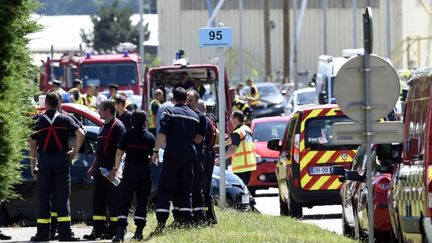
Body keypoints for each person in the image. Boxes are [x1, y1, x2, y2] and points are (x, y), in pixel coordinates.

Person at [29, 92, 85, 242]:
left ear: (45, 104)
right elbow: (81, 133)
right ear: (59, 103)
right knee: (62, 197)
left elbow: (32, 145)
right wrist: (74, 152)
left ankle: (42, 234)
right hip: (61, 160)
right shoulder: (66, 119)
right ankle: (65, 234)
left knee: (43, 198)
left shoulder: (37, 120)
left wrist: (32, 165)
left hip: (45, 161)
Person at [150, 88, 200, 235]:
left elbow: (162, 133)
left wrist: (155, 151)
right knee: (185, 190)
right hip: (189, 158)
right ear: (186, 99)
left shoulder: (169, 112)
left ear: (173, 99)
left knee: (165, 189)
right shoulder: (194, 116)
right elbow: (195, 137)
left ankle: (161, 223)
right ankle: (185, 221)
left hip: (172, 157)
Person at [84, 101, 126, 240]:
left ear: (108, 110)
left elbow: (122, 151)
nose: (98, 111)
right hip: (100, 171)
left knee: (113, 202)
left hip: (111, 171)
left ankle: (114, 230)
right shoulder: (103, 126)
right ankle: (98, 230)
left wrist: (115, 169)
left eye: (100, 109)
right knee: (98, 201)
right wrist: (93, 167)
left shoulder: (118, 126)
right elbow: (99, 151)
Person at [112, 110, 155, 242]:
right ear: (145, 122)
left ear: (131, 121)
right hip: (144, 171)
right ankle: (139, 233)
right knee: (142, 202)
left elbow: (119, 153)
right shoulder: (150, 137)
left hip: (130, 171)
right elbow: (153, 158)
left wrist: (115, 167)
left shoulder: (127, 135)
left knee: (124, 201)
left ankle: (120, 233)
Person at [186, 90, 207, 225]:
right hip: (184, 159)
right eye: (186, 99)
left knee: (196, 189)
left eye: (191, 100)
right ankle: (186, 217)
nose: (188, 102)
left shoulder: (201, 117)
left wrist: (183, 138)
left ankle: (200, 218)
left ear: (196, 102)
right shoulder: (183, 116)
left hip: (196, 158)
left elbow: (199, 139)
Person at [219, 110, 257, 185]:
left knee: (240, 189)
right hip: (249, 165)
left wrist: (219, 159)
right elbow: (235, 139)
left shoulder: (237, 133)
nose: (230, 120)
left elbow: (232, 150)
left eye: (231, 118)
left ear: (236, 119)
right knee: (244, 188)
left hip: (241, 166)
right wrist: (223, 144)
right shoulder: (246, 129)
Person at [196, 100, 218, 225]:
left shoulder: (202, 120)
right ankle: (210, 217)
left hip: (204, 156)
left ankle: (205, 217)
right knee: (206, 188)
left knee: (202, 187)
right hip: (209, 155)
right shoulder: (211, 121)